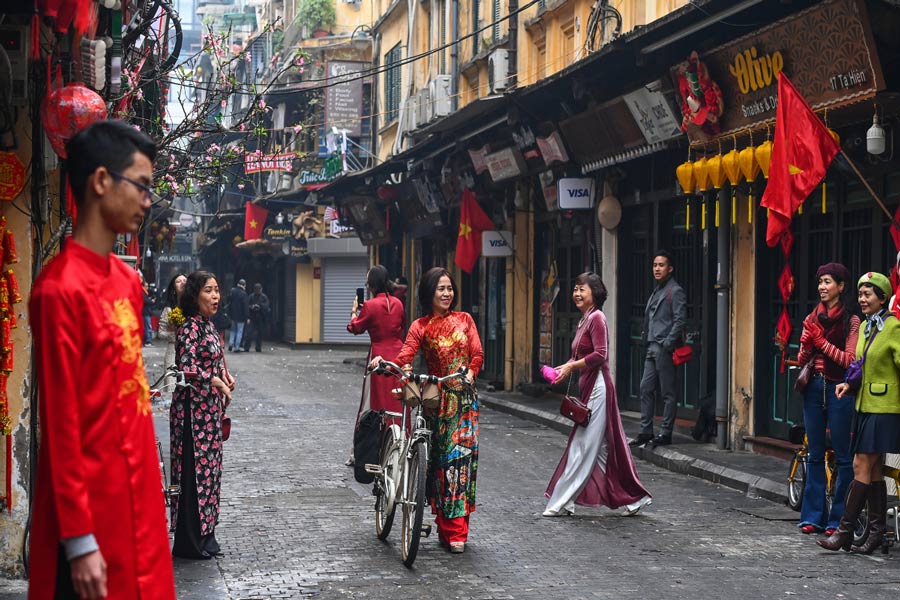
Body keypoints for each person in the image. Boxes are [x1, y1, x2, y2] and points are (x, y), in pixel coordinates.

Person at [28, 119, 175, 599]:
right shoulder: (58, 291)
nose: (147, 201)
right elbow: (61, 426)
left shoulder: (127, 282)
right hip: (89, 515)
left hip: (139, 495)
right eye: (142, 185)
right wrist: (79, 539)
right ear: (100, 182)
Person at [371, 267, 482, 554]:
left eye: (450, 289)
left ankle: (458, 530)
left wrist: (471, 373)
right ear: (429, 293)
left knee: (460, 463)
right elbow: (406, 355)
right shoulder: (421, 325)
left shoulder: (465, 320)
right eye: (441, 289)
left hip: (465, 405)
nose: (447, 294)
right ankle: (445, 526)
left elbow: (477, 353)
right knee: (438, 465)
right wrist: (393, 364)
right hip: (436, 401)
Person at [544, 272, 652, 518]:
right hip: (588, 386)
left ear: (595, 293)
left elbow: (600, 355)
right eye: (575, 289)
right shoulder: (584, 320)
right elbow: (578, 356)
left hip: (598, 388)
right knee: (602, 449)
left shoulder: (597, 318)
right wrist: (564, 368)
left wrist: (572, 366)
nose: (576, 294)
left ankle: (561, 501)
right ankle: (634, 498)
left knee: (583, 445)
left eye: (582, 289)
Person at [821, 272, 900, 554]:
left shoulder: (893, 327)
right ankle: (877, 533)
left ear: (882, 298)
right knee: (875, 468)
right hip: (863, 405)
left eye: (868, 295)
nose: (862, 299)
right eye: (860, 294)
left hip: (885, 407)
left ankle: (844, 530)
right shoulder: (866, 326)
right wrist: (848, 384)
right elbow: (861, 365)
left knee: (860, 465)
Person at [171, 270, 235, 559]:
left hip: (209, 413)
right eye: (209, 290)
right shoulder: (188, 328)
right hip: (191, 413)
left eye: (217, 290)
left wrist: (226, 374)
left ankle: (208, 535)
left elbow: (215, 359)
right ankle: (190, 540)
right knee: (194, 474)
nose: (215, 296)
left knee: (211, 475)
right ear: (195, 296)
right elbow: (186, 367)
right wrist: (215, 381)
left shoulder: (209, 326)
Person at [795, 263, 860, 536]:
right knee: (814, 455)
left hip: (839, 390)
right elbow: (801, 359)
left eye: (828, 282)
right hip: (813, 388)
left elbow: (850, 360)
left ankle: (838, 520)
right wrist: (808, 344)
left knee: (844, 458)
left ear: (841, 287)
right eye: (820, 281)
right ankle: (812, 517)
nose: (822, 287)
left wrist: (820, 343)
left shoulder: (852, 321)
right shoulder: (812, 317)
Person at [346, 265, 405, 464]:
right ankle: (400, 442)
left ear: (371, 285)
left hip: (378, 357)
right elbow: (400, 327)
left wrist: (354, 312)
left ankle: (366, 449)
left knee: (372, 404)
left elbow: (355, 328)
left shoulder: (369, 306)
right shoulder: (397, 303)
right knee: (397, 400)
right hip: (398, 354)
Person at [631, 250, 687, 448]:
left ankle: (665, 433)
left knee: (668, 393)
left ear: (670, 269)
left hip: (664, 347)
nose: (657, 268)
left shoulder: (675, 290)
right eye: (655, 265)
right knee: (645, 388)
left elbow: (680, 319)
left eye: (661, 265)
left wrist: (668, 342)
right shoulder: (656, 290)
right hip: (651, 347)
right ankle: (646, 431)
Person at [158, 272, 187, 391]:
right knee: (172, 388)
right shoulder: (169, 309)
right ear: (173, 287)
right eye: (178, 281)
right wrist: (176, 334)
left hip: (190, 353)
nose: (182, 283)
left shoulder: (195, 307)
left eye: (184, 281)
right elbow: (161, 333)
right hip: (172, 353)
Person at [243, 282, 270, 352]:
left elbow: (267, 307)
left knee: (260, 333)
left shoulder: (264, 297)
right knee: (249, 333)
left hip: (260, 317)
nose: (258, 291)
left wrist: (260, 306)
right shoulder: (251, 296)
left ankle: (258, 347)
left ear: (261, 289)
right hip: (253, 317)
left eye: (259, 289)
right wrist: (251, 307)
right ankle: (247, 347)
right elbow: (247, 306)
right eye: (256, 290)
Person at [228, 278, 249, 352]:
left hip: (233, 315)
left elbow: (229, 302)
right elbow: (245, 307)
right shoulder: (244, 294)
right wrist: (247, 317)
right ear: (244, 285)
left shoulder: (233, 291)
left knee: (233, 330)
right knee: (239, 331)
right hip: (241, 317)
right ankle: (236, 347)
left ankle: (230, 343)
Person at [142, 278, 154, 346]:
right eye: (146, 286)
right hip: (145, 312)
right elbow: (145, 301)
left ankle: (148, 340)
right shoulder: (142, 293)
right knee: (148, 327)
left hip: (147, 312)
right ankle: (148, 341)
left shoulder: (146, 293)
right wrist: (151, 301)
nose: (147, 287)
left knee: (148, 327)